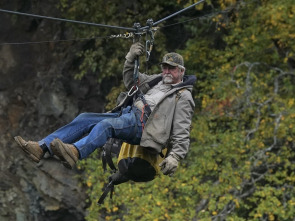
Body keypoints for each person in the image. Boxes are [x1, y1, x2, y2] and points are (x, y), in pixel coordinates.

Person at [14, 42, 196, 176]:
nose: (167, 72)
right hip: (128, 114)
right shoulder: (157, 80)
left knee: (106, 126)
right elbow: (131, 80)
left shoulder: (183, 96)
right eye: (165, 67)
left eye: (172, 69)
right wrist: (130, 58)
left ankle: (75, 152)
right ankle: (41, 147)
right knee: (85, 118)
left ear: (181, 71)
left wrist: (175, 157)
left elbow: (182, 130)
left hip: (145, 127)